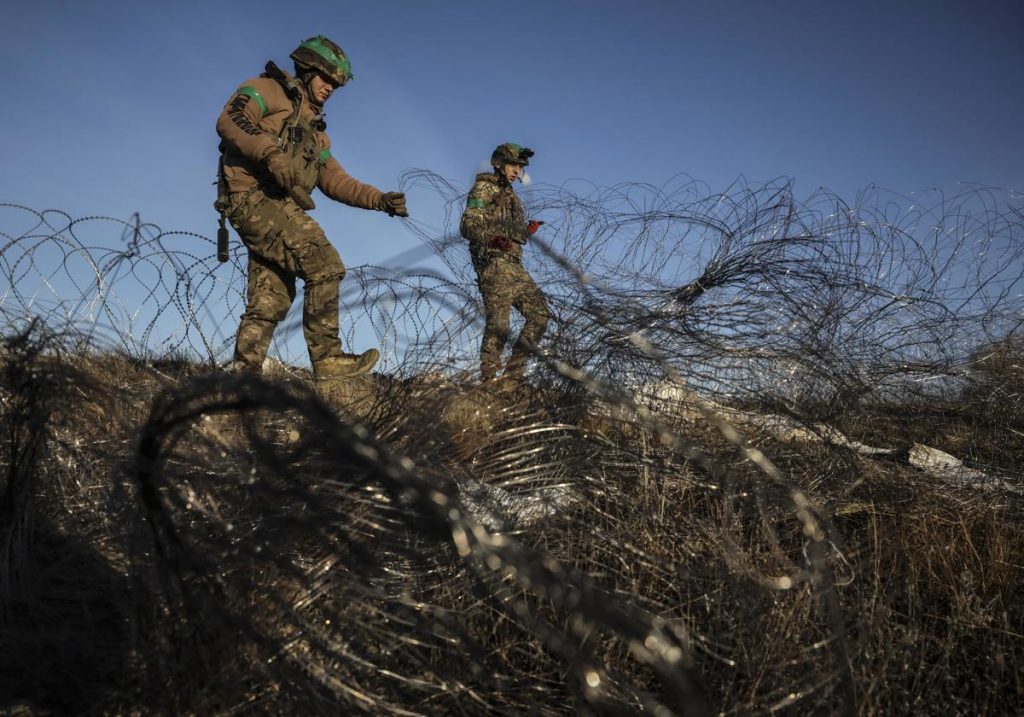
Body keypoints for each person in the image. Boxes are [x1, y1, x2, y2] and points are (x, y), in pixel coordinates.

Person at [215, 35, 407, 379]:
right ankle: (328, 359)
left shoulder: (316, 133)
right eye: (326, 78)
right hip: (252, 196)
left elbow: (334, 179)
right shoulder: (267, 90)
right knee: (325, 264)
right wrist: (270, 153)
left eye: (336, 83)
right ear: (306, 69)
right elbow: (231, 119)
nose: (330, 87)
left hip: (278, 206)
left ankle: (242, 379)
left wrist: (379, 200)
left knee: (270, 297)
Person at [459, 143, 550, 383]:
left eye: (520, 167)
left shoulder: (511, 195)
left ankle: (513, 375)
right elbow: (468, 226)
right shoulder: (484, 188)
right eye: (513, 165)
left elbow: (508, 234)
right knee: (500, 322)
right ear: (499, 163)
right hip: (493, 264)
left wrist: (524, 232)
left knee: (540, 314)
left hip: (514, 266)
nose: (516, 171)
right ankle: (489, 378)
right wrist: (493, 239)